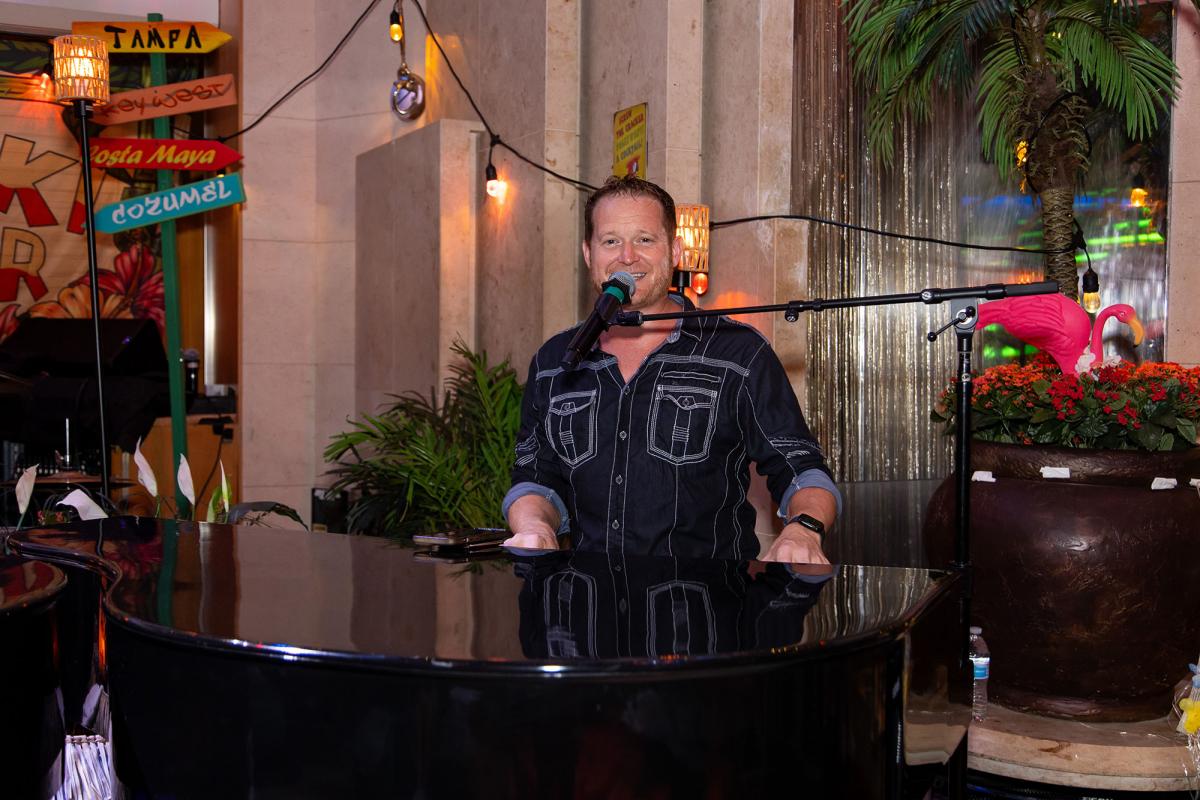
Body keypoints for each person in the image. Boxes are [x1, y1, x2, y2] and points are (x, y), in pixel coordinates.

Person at [502, 176, 840, 563]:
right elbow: (534, 476)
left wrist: (804, 529)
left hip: (708, 597)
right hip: (588, 596)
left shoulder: (738, 352)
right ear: (588, 253)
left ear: (675, 250)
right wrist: (534, 525)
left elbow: (801, 469)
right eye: (610, 241)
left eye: (645, 239)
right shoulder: (554, 361)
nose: (627, 256)